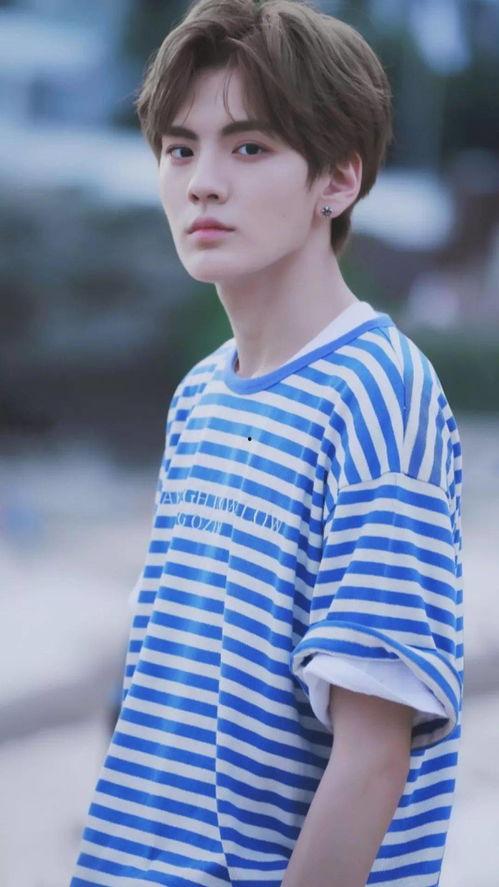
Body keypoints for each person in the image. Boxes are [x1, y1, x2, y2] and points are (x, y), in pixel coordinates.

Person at [70, 1, 464, 885]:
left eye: (249, 147)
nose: (203, 183)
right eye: (180, 149)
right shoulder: (200, 395)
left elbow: (371, 757)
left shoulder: (378, 395)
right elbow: (161, 690)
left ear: (338, 180)